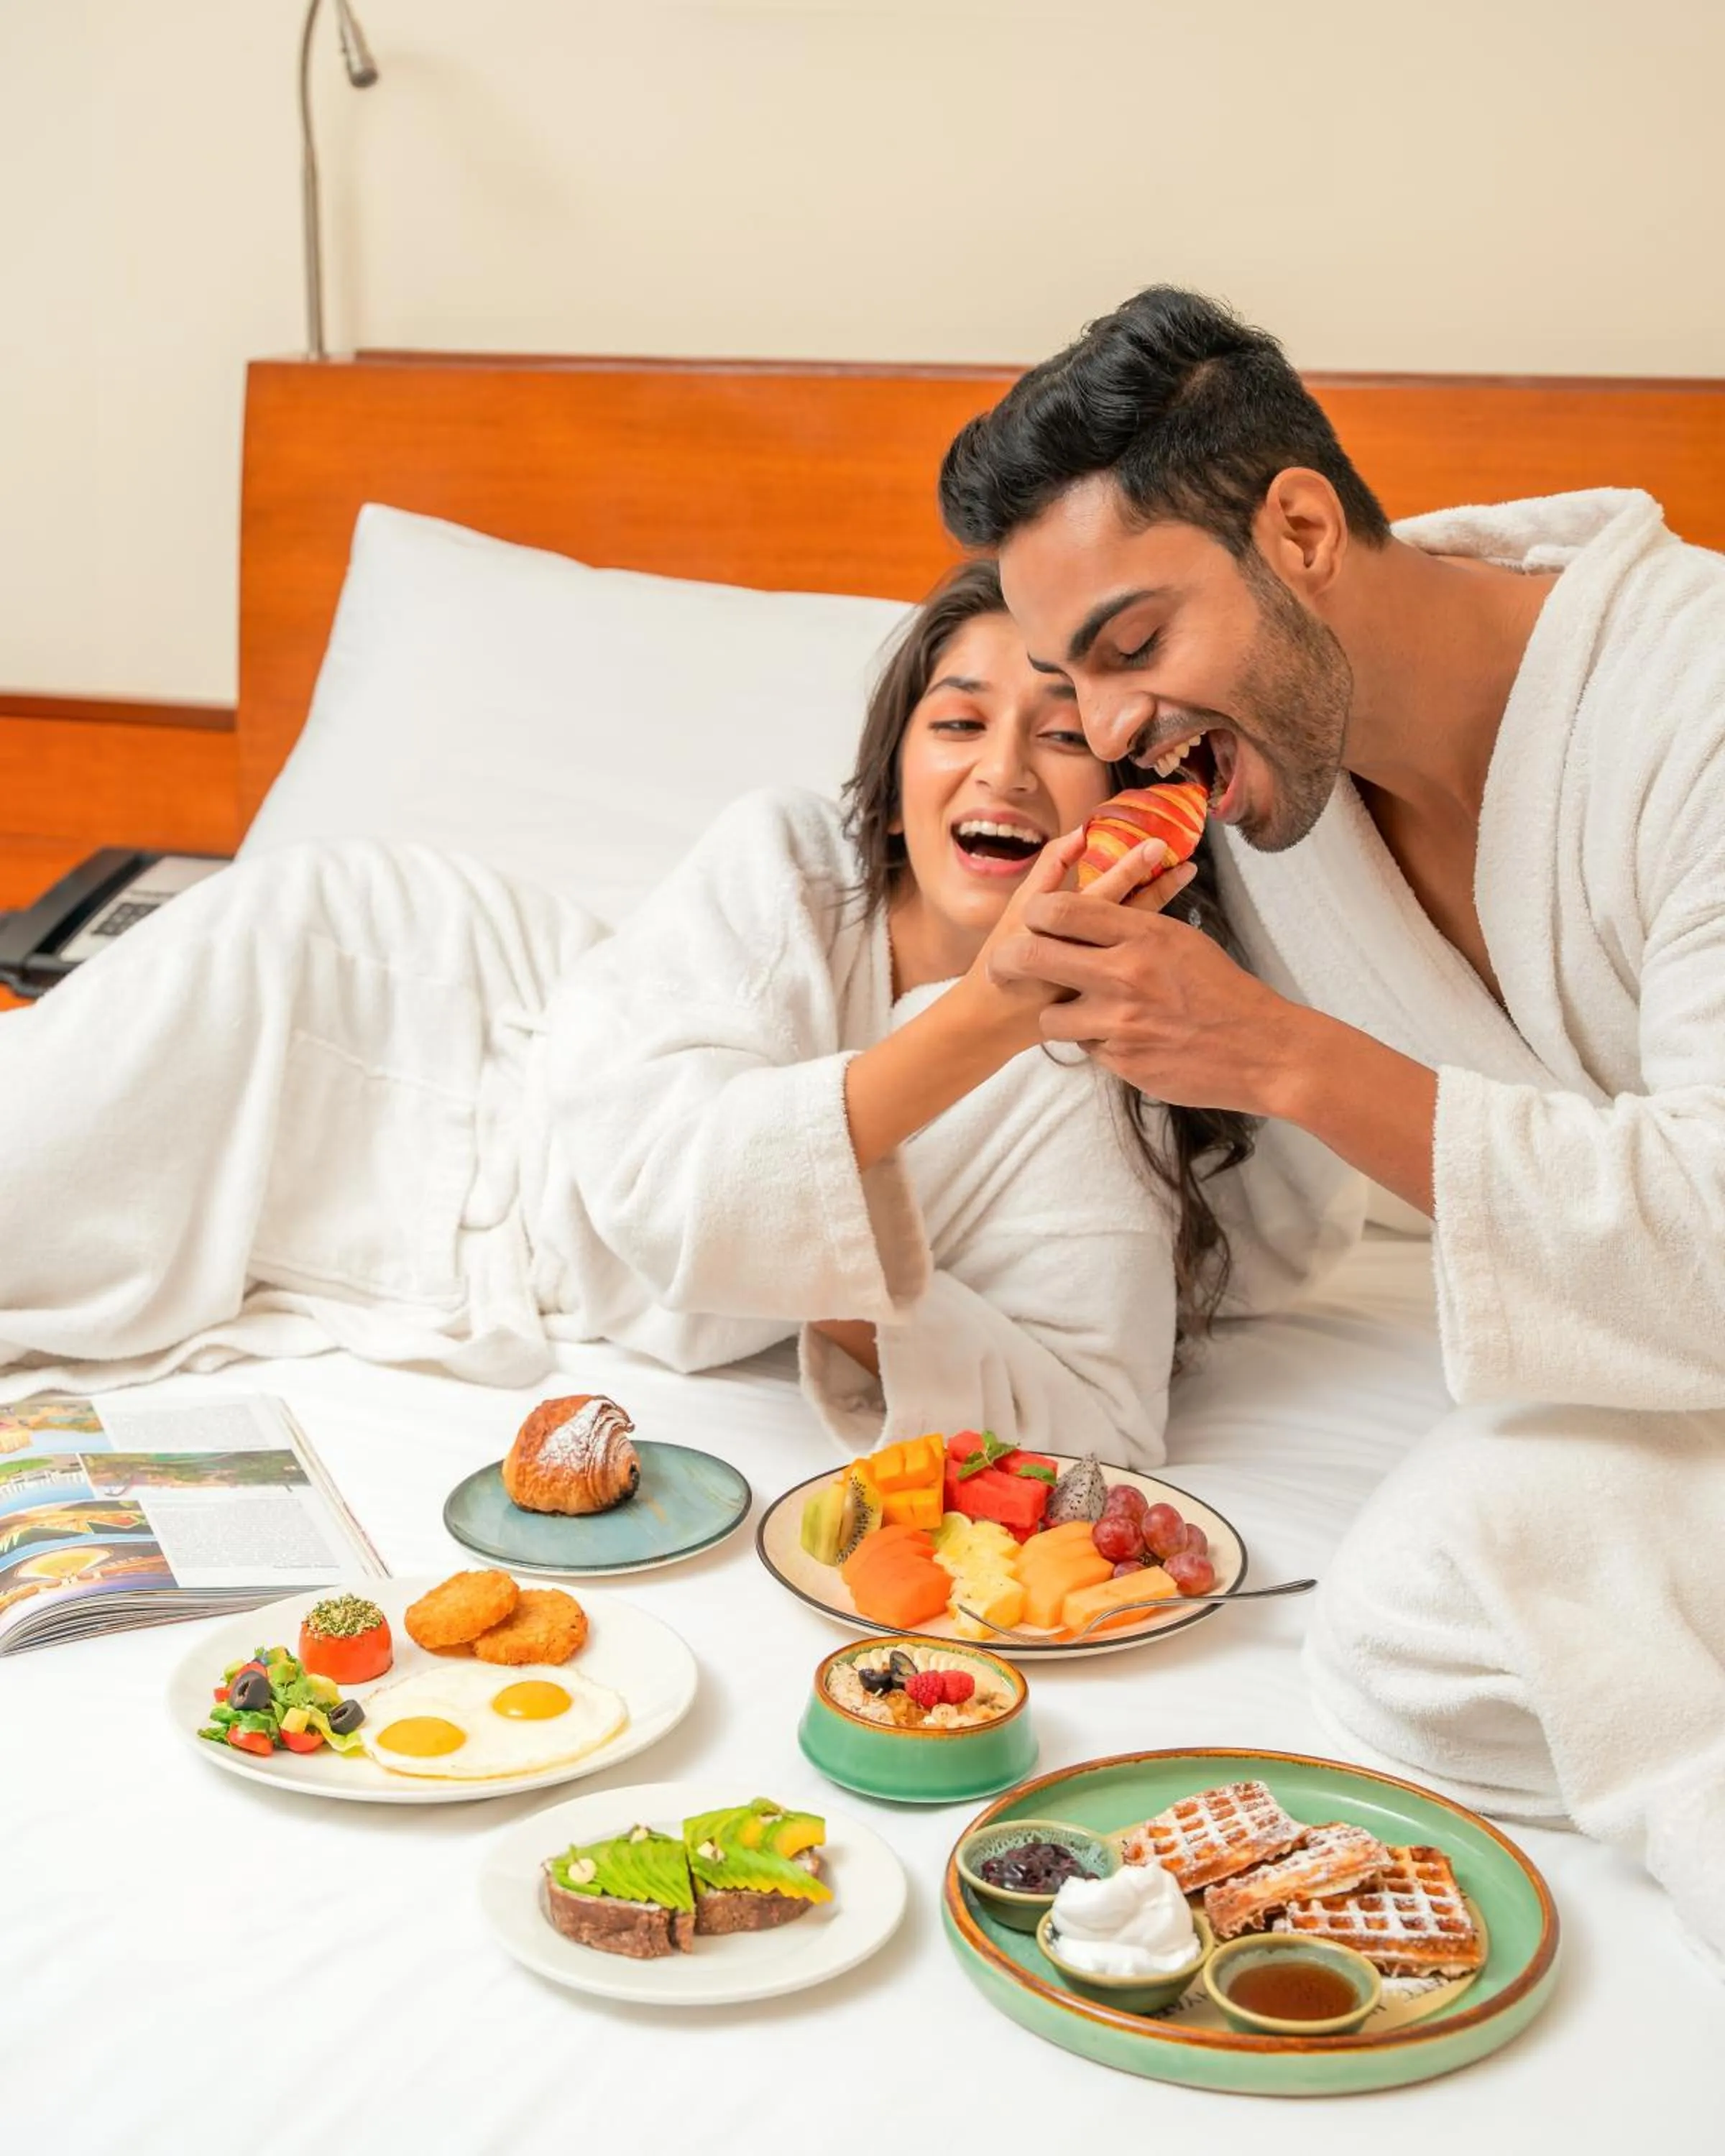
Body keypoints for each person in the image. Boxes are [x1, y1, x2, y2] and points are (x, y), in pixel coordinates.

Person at [936, 285, 1725, 1956]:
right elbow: (1284, 1220)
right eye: (1082, 685)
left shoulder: (1694, 705)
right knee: (1412, 1613)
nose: (1121, 731)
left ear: (1299, 524)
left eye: (1139, 646)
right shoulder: (1277, 808)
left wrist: (1284, 1055)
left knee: (1472, 1556)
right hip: (1675, 1361)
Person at [0, 563, 1332, 1463]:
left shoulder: (1087, 1079)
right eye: (956, 720)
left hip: (468, 1227)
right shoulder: (787, 867)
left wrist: (873, 1292)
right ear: (891, 774)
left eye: (1058, 737)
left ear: (1125, 799)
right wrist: (984, 1012)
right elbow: (661, 1176)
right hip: (361, 985)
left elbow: (1095, 1423)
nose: (999, 770)